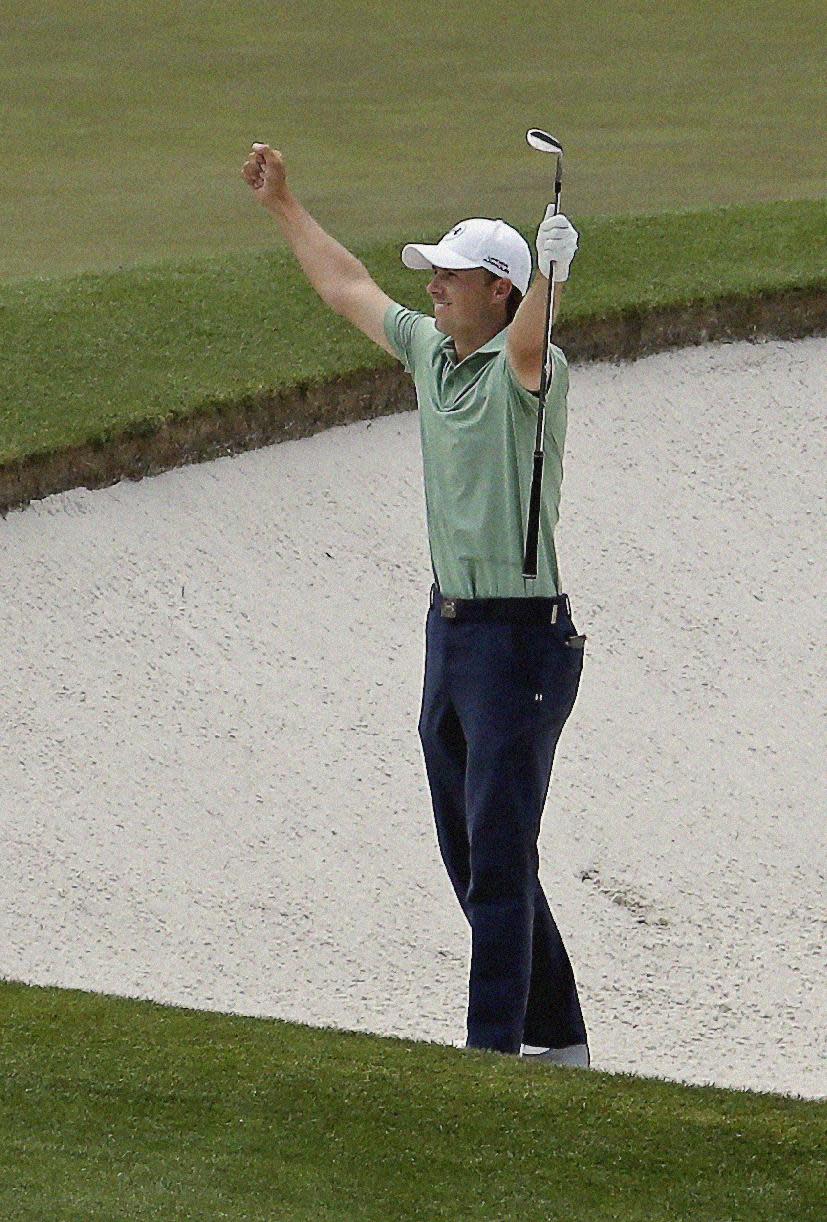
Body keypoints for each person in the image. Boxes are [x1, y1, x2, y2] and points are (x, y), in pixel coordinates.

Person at [241, 143, 589, 1066]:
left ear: (501, 291)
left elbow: (529, 343)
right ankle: (559, 1042)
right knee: (474, 855)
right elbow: (347, 286)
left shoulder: (528, 371)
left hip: (521, 644)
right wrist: (285, 206)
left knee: (501, 856)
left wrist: (552, 275)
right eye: (433, 273)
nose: (433, 285)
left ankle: (490, 1056)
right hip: (452, 634)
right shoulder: (433, 353)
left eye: (452, 275)